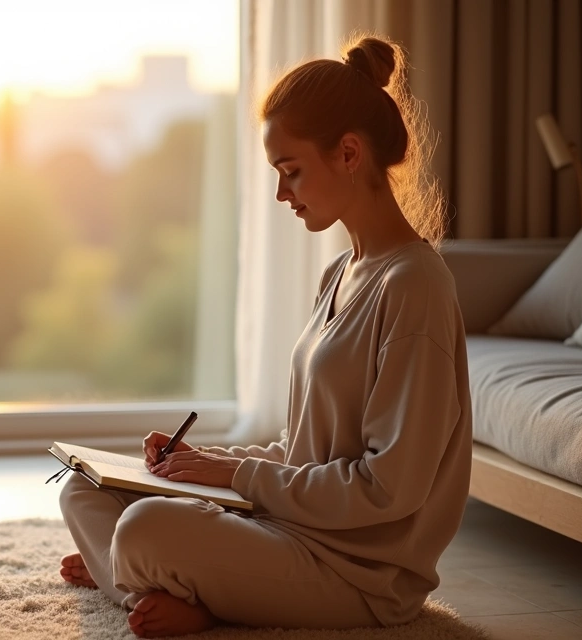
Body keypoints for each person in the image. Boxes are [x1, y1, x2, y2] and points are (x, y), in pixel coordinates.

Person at [57, 34, 472, 638]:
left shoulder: (415, 288)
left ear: (349, 154)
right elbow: (302, 454)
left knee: (145, 530)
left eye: (292, 171)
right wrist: (203, 463)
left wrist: (230, 478)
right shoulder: (341, 273)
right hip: (288, 531)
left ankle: (151, 582)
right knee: (84, 490)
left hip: (356, 573)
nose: (283, 194)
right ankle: (155, 581)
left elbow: (386, 490)